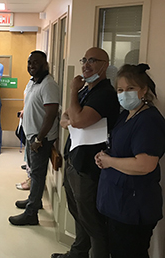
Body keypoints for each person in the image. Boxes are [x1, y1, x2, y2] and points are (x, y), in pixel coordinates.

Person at [52, 47, 120, 258]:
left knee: (92, 221)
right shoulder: (87, 90)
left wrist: (73, 91)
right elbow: (65, 117)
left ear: (105, 65)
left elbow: (78, 120)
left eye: (93, 60)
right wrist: (73, 118)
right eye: (84, 60)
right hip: (74, 160)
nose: (86, 64)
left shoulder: (105, 94)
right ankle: (78, 253)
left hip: (89, 168)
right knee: (78, 214)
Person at [95, 64, 165, 258]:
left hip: (133, 208)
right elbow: (119, 149)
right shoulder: (126, 115)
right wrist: (104, 157)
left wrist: (110, 162)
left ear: (143, 90)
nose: (124, 94)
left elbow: (145, 164)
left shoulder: (148, 120)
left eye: (130, 89)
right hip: (117, 203)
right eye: (120, 90)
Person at [8, 50, 59, 225]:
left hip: (41, 139)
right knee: (33, 172)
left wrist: (39, 139)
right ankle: (33, 202)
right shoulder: (33, 82)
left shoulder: (48, 84)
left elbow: (50, 114)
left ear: (45, 64)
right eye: (30, 63)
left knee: (37, 175)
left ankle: (31, 214)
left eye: (36, 63)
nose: (32, 66)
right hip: (32, 136)